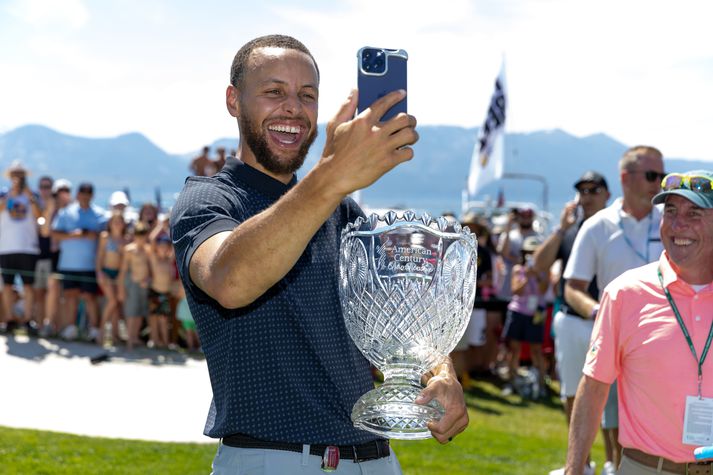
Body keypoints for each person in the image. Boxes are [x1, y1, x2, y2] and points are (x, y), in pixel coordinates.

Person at [170, 34, 467, 475]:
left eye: (307, 96)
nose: (293, 107)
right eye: (274, 92)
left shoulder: (341, 209)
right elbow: (231, 281)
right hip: (274, 459)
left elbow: (401, 312)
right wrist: (332, 175)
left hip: (376, 459)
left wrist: (441, 373)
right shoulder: (209, 201)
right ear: (234, 101)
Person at [565, 170, 713, 474]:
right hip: (647, 468)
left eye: (694, 212)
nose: (678, 224)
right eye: (670, 211)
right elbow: (593, 388)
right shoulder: (625, 293)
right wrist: (573, 469)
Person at [563, 146, 665, 474]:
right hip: (617, 338)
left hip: (666, 339)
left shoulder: (672, 221)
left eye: (661, 175)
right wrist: (600, 315)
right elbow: (572, 288)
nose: (658, 183)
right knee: (610, 415)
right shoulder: (598, 226)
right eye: (652, 176)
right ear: (625, 179)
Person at [535, 171, 611, 475]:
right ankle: (582, 464)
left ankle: (613, 463)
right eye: (583, 190)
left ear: (607, 194)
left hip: (607, 321)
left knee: (613, 397)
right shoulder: (569, 232)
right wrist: (560, 229)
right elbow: (538, 266)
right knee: (570, 392)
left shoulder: (614, 229)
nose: (588, 195)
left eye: (594, 189)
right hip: (571, 318)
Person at [51, 182, 107, 341]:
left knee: (90, 297)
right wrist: (75, 235)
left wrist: (93, 235)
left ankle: (94, 330)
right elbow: (54, 234)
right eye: (82, 193)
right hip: (68, 263)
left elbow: (107, 235)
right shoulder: (65, 213)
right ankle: (70, 328)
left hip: (90, 264)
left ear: (92, 195)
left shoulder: (100, 214)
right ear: (77, 194)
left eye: (88, 193)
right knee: (70, 296)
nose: (85, 196)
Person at [501, 235, 549, 398]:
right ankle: (511, 381)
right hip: (518, 311)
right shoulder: (517, 269)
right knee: (514, 348)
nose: (532, 255)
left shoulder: (544, 271)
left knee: (537, 350)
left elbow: (543, 290)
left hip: (536, 313)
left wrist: (536, 275)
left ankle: (541, 385)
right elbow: (516, 290)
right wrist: (527, 276)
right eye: (529, 252)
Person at [0, 161, 42, 334]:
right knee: (8, 286)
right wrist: (11, 194)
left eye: (20, 175)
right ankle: (9, 319)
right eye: (14, 175)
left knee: (28, 286)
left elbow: (40, 217)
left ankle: (27, 319)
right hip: (7, 247)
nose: (17, 178)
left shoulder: (33, 196)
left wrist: (29, 197)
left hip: (28, 247)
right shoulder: (4, 194)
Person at [117, 222, 150, 350]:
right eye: (138, 236)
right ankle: (129, 339)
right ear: (134, 236)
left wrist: (148, 279)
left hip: (143, 284)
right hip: (132, 284)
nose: (141, 239)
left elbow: (149, 267)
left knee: (140, 312)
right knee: (131, 312)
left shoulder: (147, 249)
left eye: (143, 236)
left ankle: (135, 337)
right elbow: (123, 270)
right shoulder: (129, 249)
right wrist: (121, 289)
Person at [95, 211, 127, 346]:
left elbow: (125, 261)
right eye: (115, 222)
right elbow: (100, 256)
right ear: (110, 223)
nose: (117, 224)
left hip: (119, 274)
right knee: (112, 301)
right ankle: (101, 332)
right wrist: (99, 272)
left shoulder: (125, 240)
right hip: (106, 272)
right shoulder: (105, 237)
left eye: (120, 222)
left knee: (116, 305)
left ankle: (114, 336)